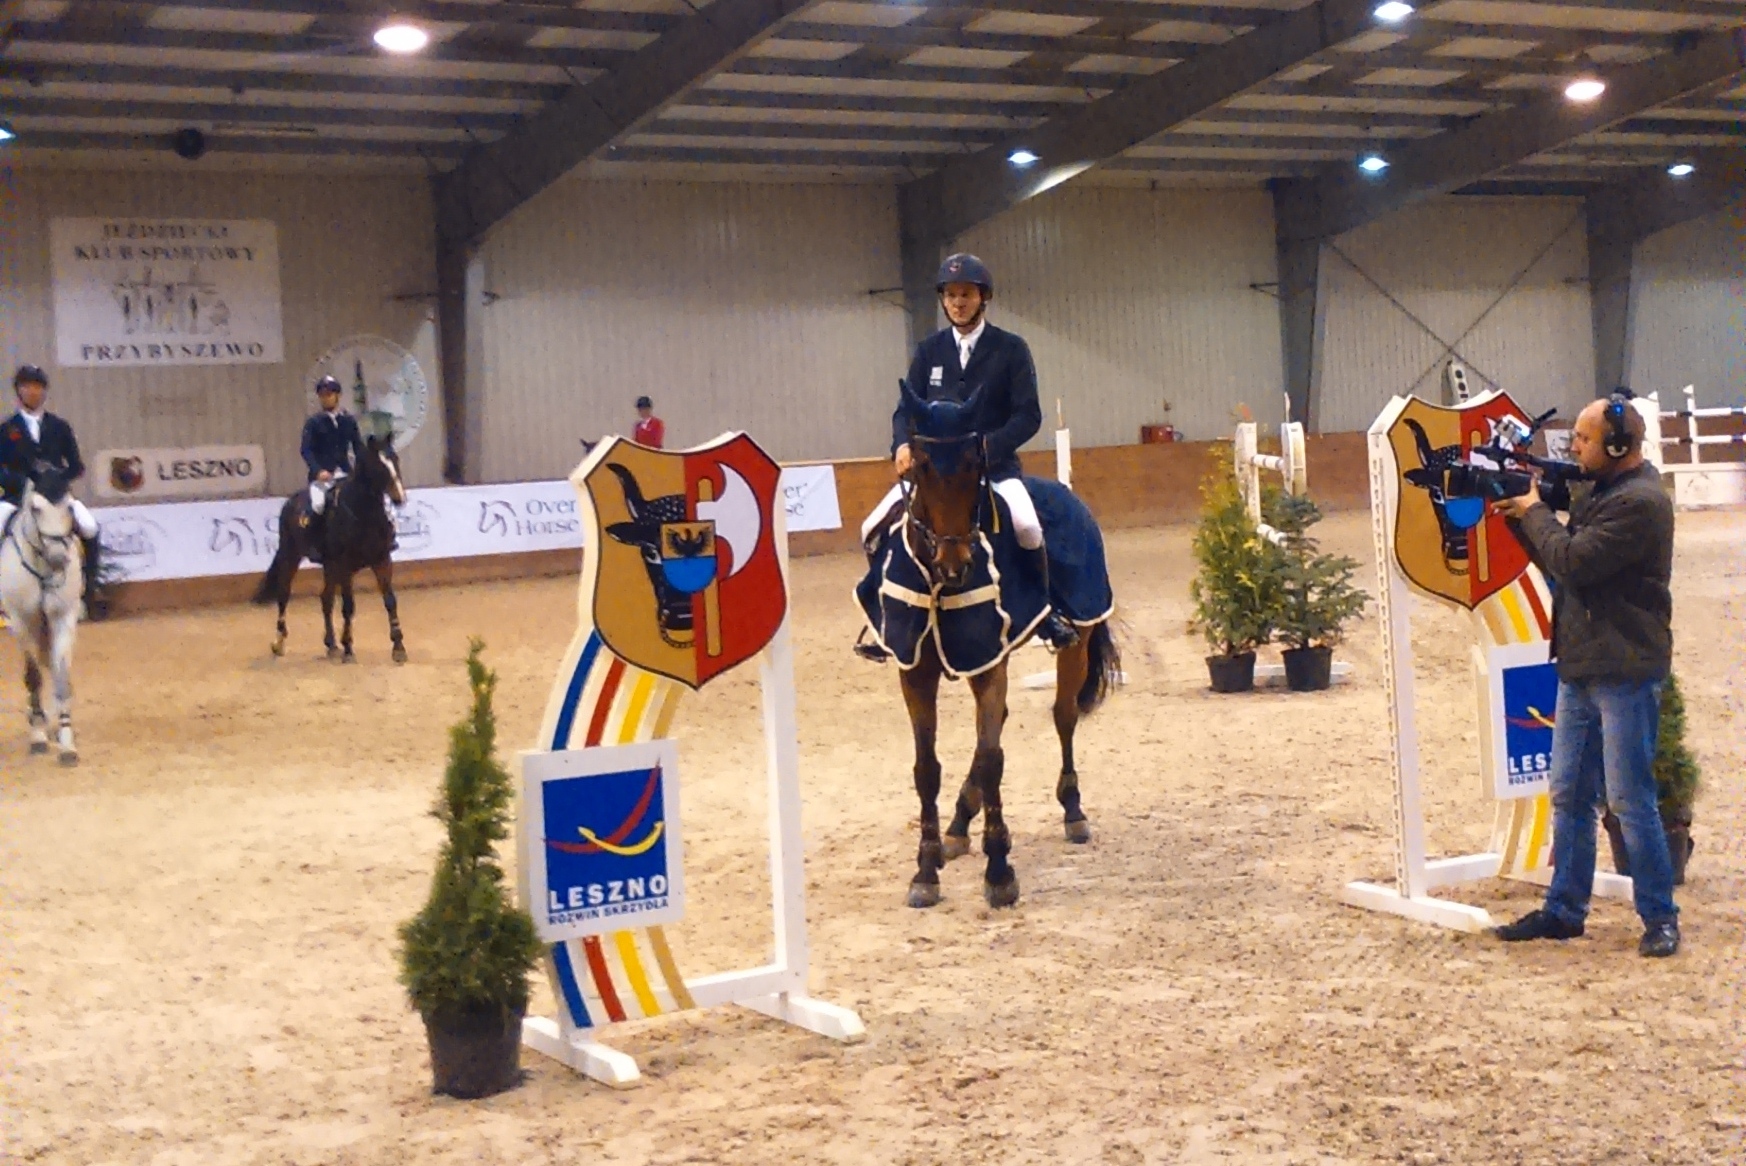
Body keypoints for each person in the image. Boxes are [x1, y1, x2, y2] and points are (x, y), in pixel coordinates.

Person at [1492, 392, 1680, 958]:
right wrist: (1521, 514)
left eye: (1582, 439)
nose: (1572, 448)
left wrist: (1533, 510)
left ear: (1617, 446)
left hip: (1623, 666)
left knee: (1630, 799)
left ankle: (1660, 918)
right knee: (1570, 795)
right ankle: (1565, 910)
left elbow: (1574, 561)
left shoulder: (1641, 502)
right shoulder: (1603, 490)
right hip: (1583, 659)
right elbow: (1558, 561)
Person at [862, 252, 1076, 652]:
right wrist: (902, 444)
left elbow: (1028, 415)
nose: (958, 302)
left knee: (1028, 526)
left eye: (966, 294)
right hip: (935, 476)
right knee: (873, 527)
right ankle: (885, 617)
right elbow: (905, 409)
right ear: (943, 300)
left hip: (993, 468)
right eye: (951, 295)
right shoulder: (930, 352)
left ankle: (1046, 614)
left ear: (983, 298)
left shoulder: (1010, 349)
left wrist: (986, 449)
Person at [0, 364, 103, 607]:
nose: (33, 392)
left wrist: (57, 479)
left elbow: (77, 465)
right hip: (17, 498)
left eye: (37, 387)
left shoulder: (60, 427)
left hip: (55, 497)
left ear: (44, 392)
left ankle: (91, 588)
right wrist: (20, 481)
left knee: (89, 526)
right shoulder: (6, 430)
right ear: (19, 392)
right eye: (27, 387)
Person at [300, 375, 364, 563]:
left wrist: (362, 468)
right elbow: (306, 450)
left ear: (337, 396)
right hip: (323, 477)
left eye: (329, 394)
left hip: (345, 473)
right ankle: (314, 545)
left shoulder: (348, 421)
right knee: (318, 505)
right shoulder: (313, 423)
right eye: (323, 395)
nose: (326, 398)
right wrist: (318, 470)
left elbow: (358, 447)